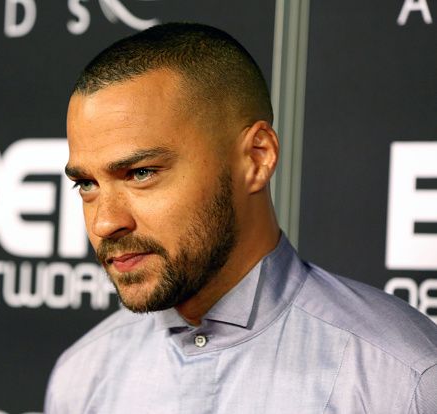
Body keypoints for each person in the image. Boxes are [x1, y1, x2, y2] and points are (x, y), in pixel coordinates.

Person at [44, 23, 437, 413]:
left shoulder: (401, 379)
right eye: (86, 184)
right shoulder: (82, 377)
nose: (104, 223)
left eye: (141, 173)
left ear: (256, 158)